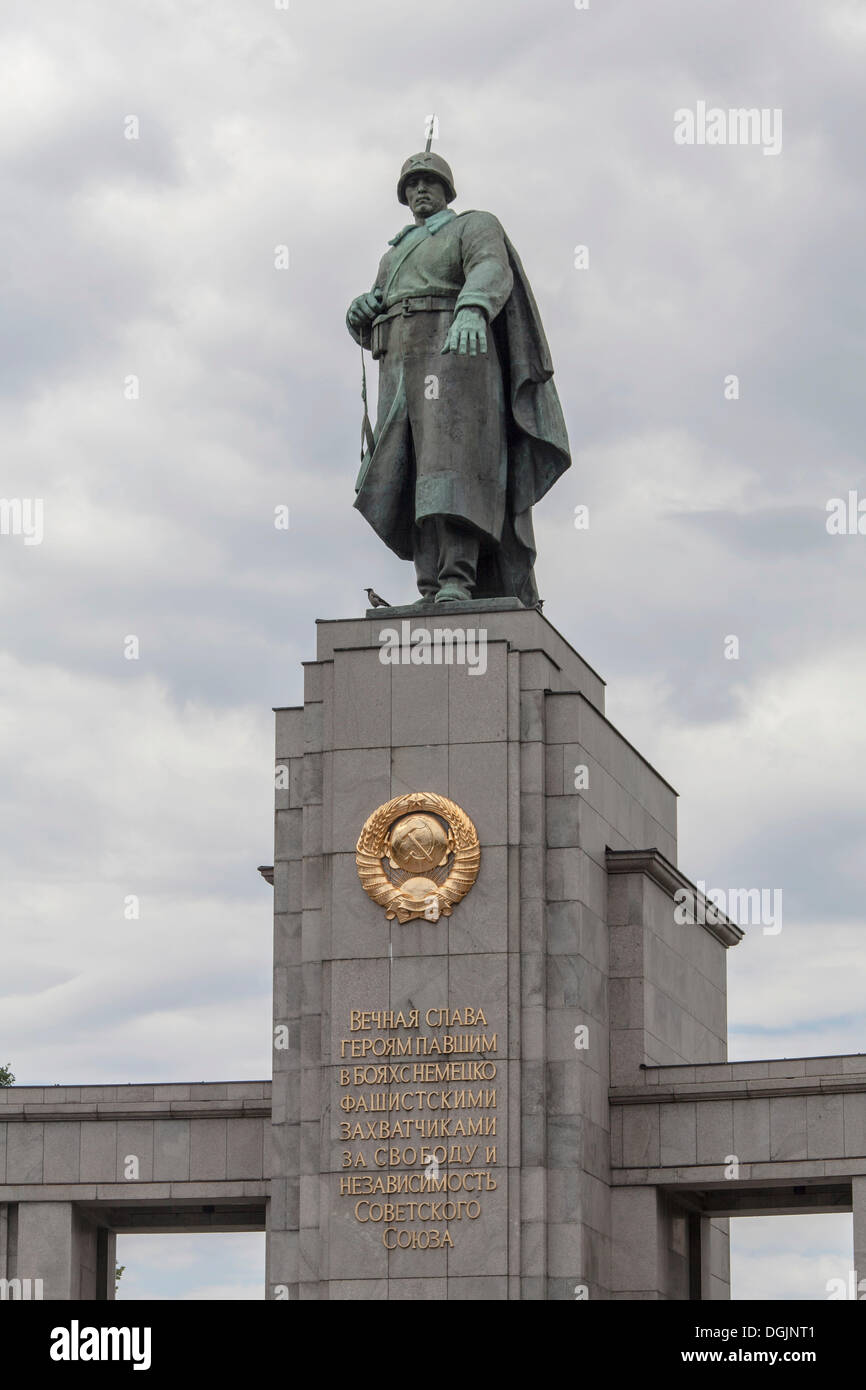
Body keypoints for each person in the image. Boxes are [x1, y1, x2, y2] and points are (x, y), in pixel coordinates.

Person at [347, 151, 571, 607]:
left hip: (453, 351)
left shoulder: (474, 225)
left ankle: (457, 579)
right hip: (398, 361)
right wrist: (360, 314)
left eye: (429, 182)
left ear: (448, 189)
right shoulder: (393, 254)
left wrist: (472, 308)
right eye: (411, 185)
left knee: (450, 466)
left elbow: (491, 266)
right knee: (407, 470)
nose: (419, 191)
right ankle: (428, 587)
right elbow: (377, 307)